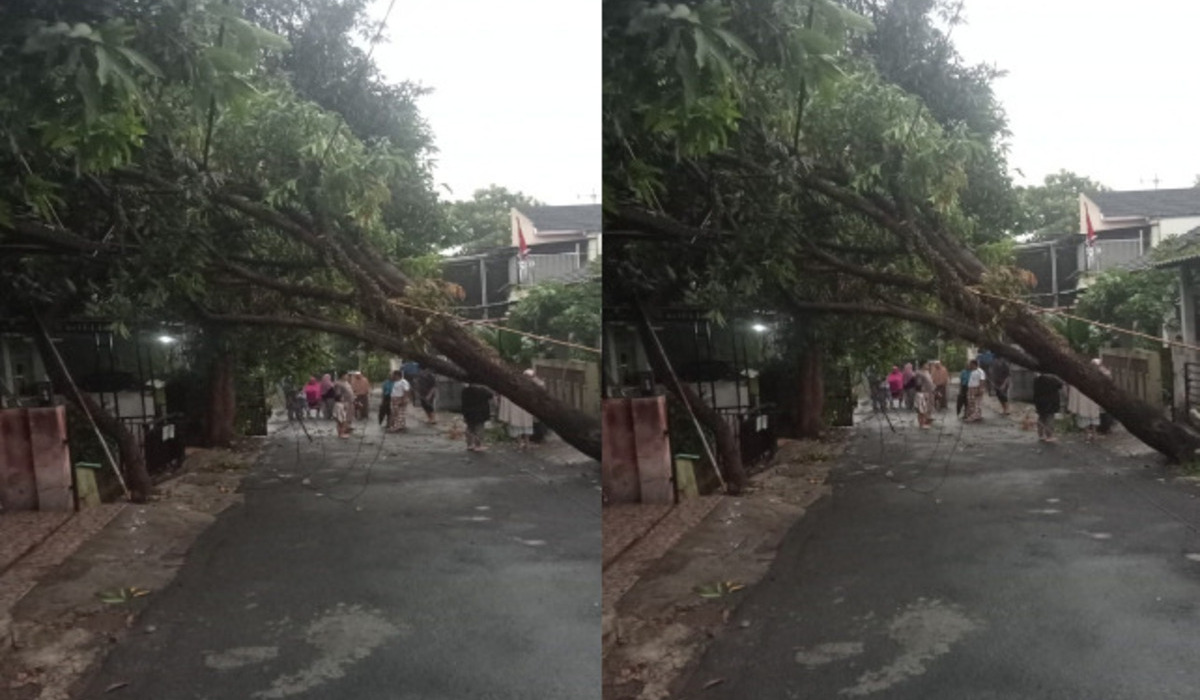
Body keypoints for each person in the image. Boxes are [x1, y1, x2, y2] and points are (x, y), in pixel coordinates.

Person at [498, 369, 542, 449]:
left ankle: (523, 443)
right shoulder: (527, 385)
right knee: (522, 427)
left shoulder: (526, 384)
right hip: (521, 410)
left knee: (523, 427)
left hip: (523, 410)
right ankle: (523, 443)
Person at [460, 382, 494, 452]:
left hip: (468, 413)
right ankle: (478, 445)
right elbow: (491, 395)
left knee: (470, 428)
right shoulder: (482, 390)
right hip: (480, 413)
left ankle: (469, 444)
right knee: (479, 429)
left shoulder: (465, 391)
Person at [1033, 372, 1065, 442]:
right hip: (1051, 401)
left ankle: (1041, 435)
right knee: (1049, 418)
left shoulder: (1037, 379)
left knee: (1041, 417)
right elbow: (1061, 385)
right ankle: (1049, 435)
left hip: (1039, 401)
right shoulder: (1053, 379)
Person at [915, 362, 935, 429]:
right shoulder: (919, 373)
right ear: (923, 365)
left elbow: (930, 382)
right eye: (926, 364)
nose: (928, 365)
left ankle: (926, 420)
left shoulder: (927, 372)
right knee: (922, 408)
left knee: (927, 407)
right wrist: (922, 391)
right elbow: (918, 384)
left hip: (929, 393)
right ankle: (921, 423)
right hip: (923, 393)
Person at [333, 372, 354, 438]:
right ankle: (341, 433)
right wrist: (342, 400)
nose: (347, 376)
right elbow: (337, 394)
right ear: (342, 375)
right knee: (341, 419)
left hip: (349, 402)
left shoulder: (346, 383)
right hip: (342, 403)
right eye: (346, 375)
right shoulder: (338, 384)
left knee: (346, 418)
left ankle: (345, 430)